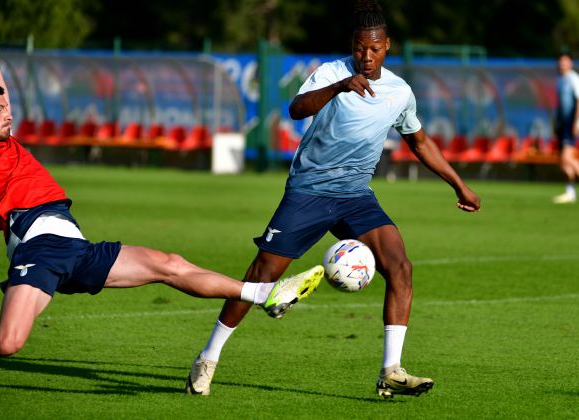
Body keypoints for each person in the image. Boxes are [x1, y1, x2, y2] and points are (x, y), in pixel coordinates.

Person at [0, 23, 324, 379]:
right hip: (39, 249)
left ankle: (267, 293)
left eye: (7, 107)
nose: (8, 113)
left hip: (75, 248)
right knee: (7, 342)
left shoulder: (6, 140)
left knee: (169, 264)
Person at [185, 0, 481, 399]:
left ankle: (390, 370)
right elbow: (296, 109)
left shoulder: (399, 92)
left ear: (387, 46)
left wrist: (458, 185)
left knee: (400, 267)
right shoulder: (331, 73)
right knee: (261, 276)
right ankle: (208, 357)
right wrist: (339, 86)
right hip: (308, 192)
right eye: (360, 48)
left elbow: (421, 142)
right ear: (352, 44)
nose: (366, 56)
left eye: (374, 48)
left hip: (356, 197)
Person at [552, 52, 579, 204]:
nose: (562, 64)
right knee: (562, 161)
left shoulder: (574, 79)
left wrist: (576, 122)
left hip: (571, 123)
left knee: (567, 158)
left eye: (565, 61)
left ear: (571, 63)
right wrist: (556, 124)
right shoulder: (561, 80)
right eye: (560, 61)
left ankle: (570, 191)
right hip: (563, 124)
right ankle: (570, 192)